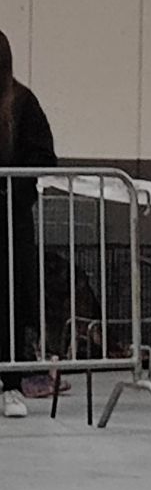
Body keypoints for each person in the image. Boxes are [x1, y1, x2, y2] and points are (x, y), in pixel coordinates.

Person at [0, 31, 57, 418]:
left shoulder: (23, 103)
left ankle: (10, 386)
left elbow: (44, 158)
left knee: (10, 302)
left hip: (10, 222)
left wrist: (12, 189)